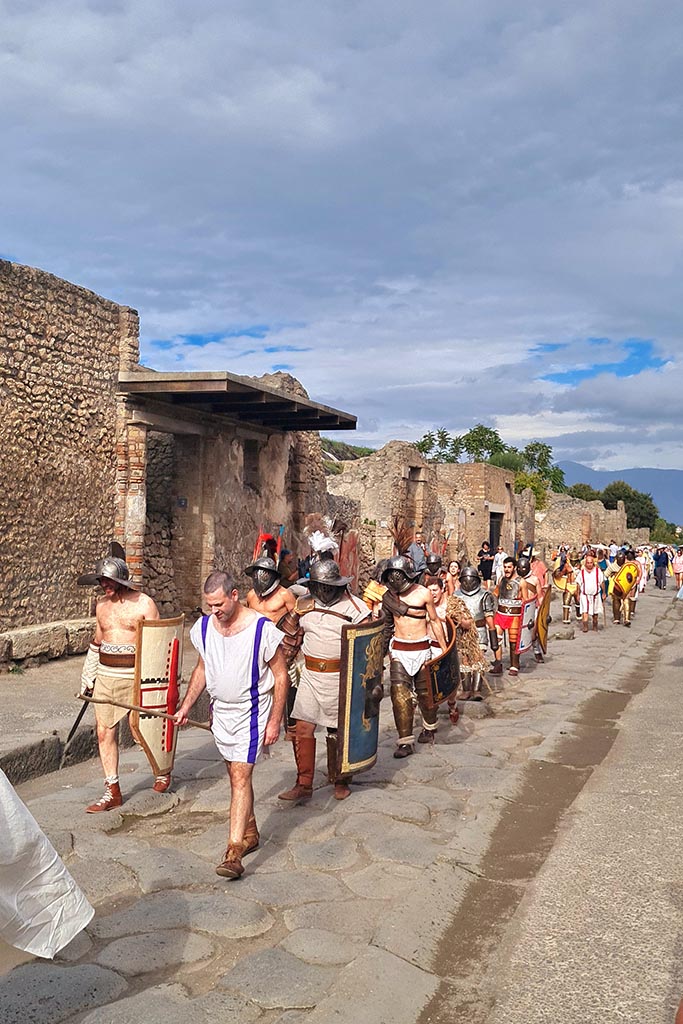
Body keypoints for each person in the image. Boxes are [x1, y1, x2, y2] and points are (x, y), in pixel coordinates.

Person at [174, 570, 288, 880]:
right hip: (220, 712)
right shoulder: (205, 628)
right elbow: (201, 669)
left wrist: (275, 721)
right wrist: (185, 706)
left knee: (240, 776)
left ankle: (234, 851)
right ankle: (250, 832)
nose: (215, 612)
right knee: (234, 774)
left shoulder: (261, 629)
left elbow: (281, 676)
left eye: (219, 605)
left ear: (234, 595)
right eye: (210, 606)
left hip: (252, 712)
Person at [278, 560, 372, 803]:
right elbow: (290, 639)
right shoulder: (304, 605)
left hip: (340, 677)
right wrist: (280, 668)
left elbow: (368, 648)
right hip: (309, 675)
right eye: (320, 585)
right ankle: (303, 783)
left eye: (328, 585)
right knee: (302, 728)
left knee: (337, 731)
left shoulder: (356, 608)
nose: (324, 590)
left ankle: (339, 779)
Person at [77, 552, 160, 812]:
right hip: (107, 676)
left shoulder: (144, 604)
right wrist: (88, 674)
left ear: (123, 581)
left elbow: (159, 644)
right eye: (102, 581)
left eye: (109, 581)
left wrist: (162, 682)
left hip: (135, 677)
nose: (105, 585)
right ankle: (112, 790)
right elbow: (97, 640)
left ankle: (161, 768)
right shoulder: (101, 606)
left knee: (140, 730)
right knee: (104, 731)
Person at [381, 556, 448, 756]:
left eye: (398, 575)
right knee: (399, 695)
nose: (395, 579)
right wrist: (380, 657)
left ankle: (428, 727)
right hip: (400, 651)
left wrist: (445, 650)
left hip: (421, 649)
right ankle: (405, 742)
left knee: (425, 694)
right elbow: (386, 627)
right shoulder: (388, 597)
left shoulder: (423, 593)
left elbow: (435, 621)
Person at [492, 557, 535, 676]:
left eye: (509, 567)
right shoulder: (501, 580)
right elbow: (495, 594)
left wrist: (528, 619)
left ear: (514, 567)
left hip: (515, 616)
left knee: (513, 642)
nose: (506, 569)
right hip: (501, 614)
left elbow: (526, 601)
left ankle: (514, 665)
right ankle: (498, 664)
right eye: (505, 567)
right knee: (496, 639)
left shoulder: (521, 582)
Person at [576, 549, 604, 633]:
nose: (589, 564)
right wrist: (577, 594)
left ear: (593, 563)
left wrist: (604, 593)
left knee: (595, 613)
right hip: (585, 595)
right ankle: (585, 626)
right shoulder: (582, 572)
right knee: (585, 611)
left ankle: (595, 626)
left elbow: (601, 582)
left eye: (590, 562)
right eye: (587, 563)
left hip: (595, 595)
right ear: (585, 563)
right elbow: (578, 583)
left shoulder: (597, 571)